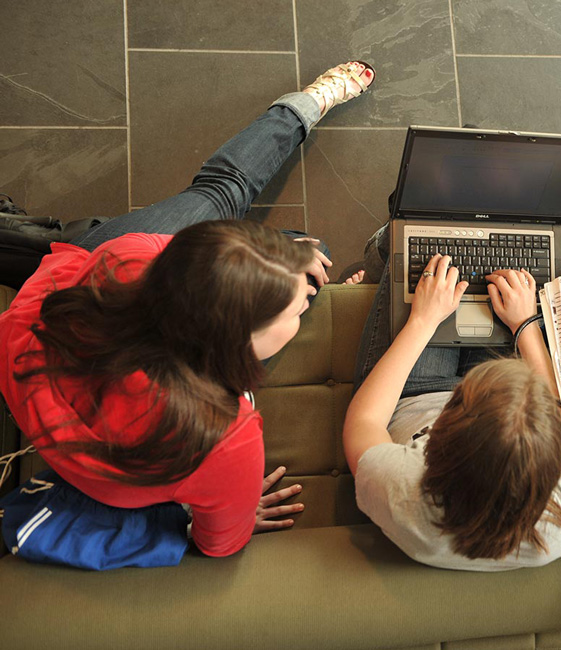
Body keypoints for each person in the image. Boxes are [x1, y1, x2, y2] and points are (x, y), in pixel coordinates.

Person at [0, 61, 375, 561]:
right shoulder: (224, 437)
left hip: (80, 292)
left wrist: (276, 261)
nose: (306, 303)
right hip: (109, 292)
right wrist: (237, 511)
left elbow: (181, 252)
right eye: (296, 308)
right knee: (309, 247)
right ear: (235, 343)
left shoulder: (130, 261)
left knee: (226, 203)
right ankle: (304, 110)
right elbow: (220, 544)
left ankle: (301, 114)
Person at [340, 228, 561, 571]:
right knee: (503, 250)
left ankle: (375, 261)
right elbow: (552, 412)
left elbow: (363, 422)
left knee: (416, 238)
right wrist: (524, 325)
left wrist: (423, 320)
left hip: (413, 393)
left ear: (441, 431)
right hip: (487, 404)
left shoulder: (400, 488)